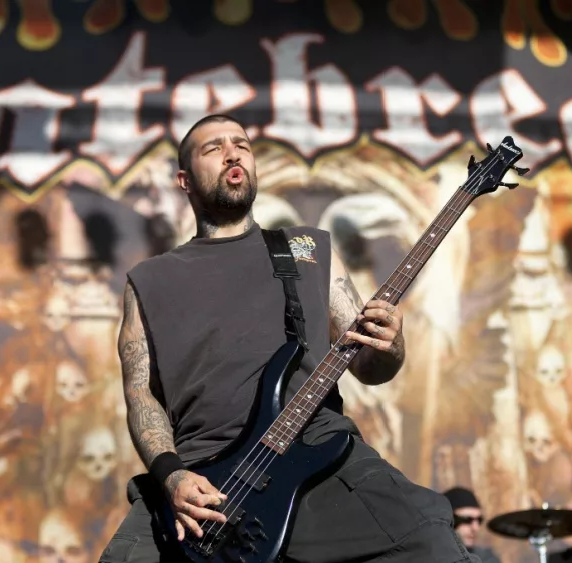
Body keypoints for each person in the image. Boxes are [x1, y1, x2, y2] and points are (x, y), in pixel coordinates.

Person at [99, 114, 476, 563]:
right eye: (214, 148)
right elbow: (141, 394)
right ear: (184, 180)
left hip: (316, 454)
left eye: (241, 145)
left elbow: (369, 366)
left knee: (432, 543)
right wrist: (171, 475)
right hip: (201, 481)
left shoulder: (307, 249)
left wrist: (391, 343)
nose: (232, 154)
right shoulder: (149, 280)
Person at [443, 487, 502, 563]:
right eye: (466, 520)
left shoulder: (485, 558)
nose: (475, 528)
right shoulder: (429, 556)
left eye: (479, 520)